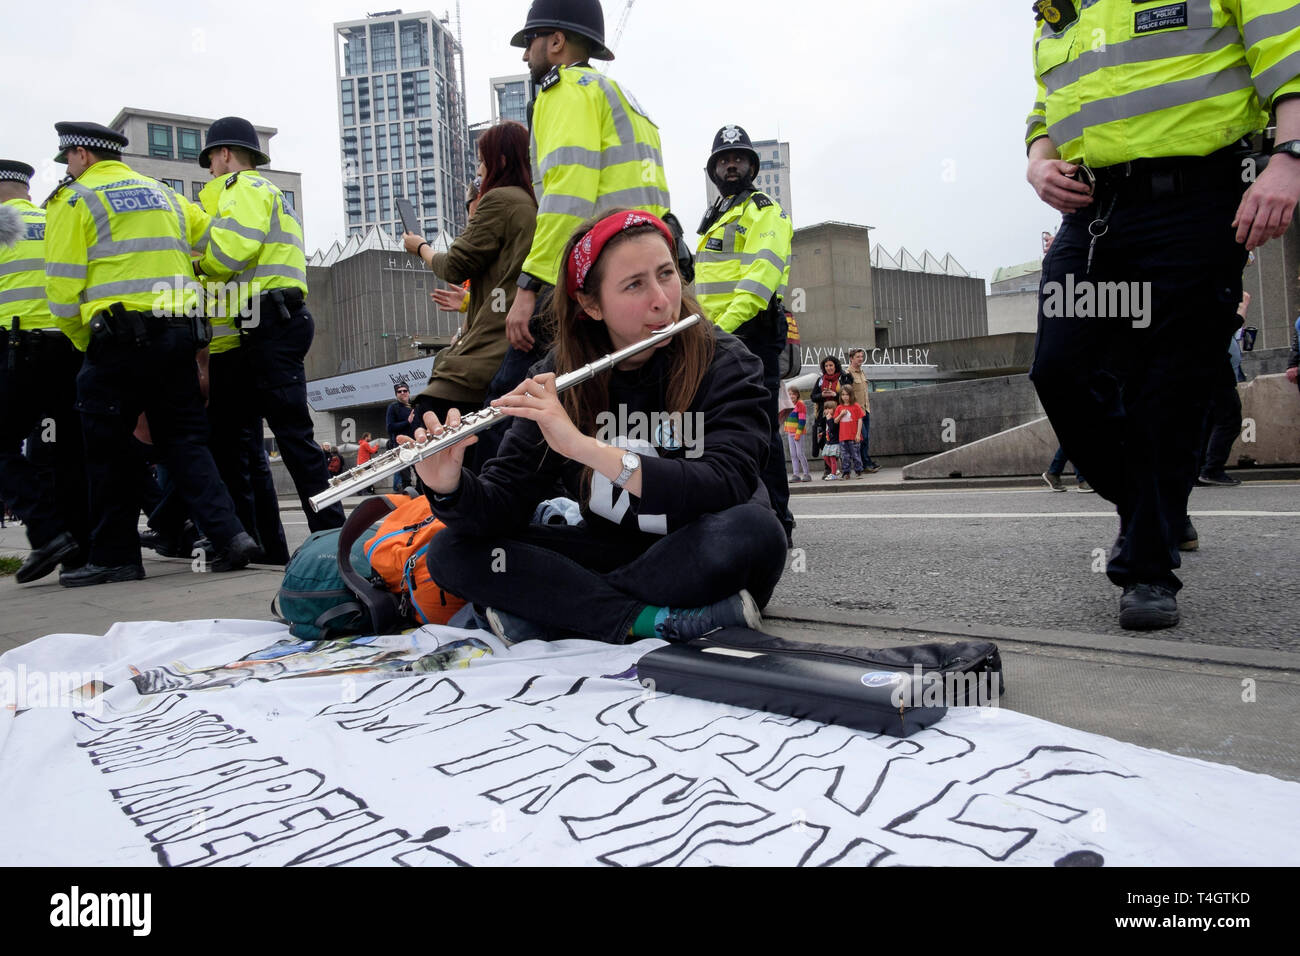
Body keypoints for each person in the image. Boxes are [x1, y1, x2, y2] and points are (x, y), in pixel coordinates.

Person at [1024, 4, 1300, 630]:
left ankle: (1147, 565)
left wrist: (1290, 157)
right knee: (1059, 368)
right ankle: (1156, 500)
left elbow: (1288, 52)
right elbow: (1045, 104)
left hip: (1197, 199)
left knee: (1168, 388)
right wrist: (1040, 161)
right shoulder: (1059, 6)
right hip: (1095, 210)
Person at [413, 209, 786, 644]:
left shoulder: (727, 361)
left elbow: (727, 483)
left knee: (753, 532)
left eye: (666, 274)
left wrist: (584, 448)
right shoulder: (558, 375)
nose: (662, 300)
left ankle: (562, 610)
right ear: (591, 305)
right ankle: (646, 620)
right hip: (611, 550)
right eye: (634, 285)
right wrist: (448, 487)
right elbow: (504, 500)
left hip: (696, 548)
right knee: (451, 551)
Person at [42, 122, 257, 586]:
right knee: (185, 441)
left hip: (116, 340)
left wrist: (85, 343)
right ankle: (230, 536)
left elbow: (61, 289)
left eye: (68, 160)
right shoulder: (165, 195)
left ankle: (117, 557)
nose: (68, 168)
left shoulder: (74, 199)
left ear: (81, 155)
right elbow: (215, 242)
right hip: (178, 336)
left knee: (106, 449)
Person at [494, 0, 673, 401]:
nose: (525, 54)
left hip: (592, 269)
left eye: (530, 41)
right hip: (646, 270)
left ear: (556, 41)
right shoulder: (619, 95)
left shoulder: (564, 91)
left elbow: (566, 196)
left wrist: (529, 288)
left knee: (512, 397)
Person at [194, 116, 345, 535]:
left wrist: (196, 266)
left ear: (224, 155)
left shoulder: (243, 188)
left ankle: (331, 536)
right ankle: (302, 538)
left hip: (267, 325)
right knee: (260, 439)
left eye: (210, 161)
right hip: (271, 322)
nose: (209, 171)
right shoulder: (274, 194)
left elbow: (230, 252)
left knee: (283, 439)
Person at [403, 121, 538, 468]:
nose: (478, 172)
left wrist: (420, 248)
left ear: (501, 160)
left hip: (487, 351)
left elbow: (454, 265)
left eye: (481, 163)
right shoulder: (533, 204)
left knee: (432, 429)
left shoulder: (501, 201)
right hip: (506, 343)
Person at [696, 124, 796, 543]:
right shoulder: (715, 215)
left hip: (748, 332)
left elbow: (760, 278)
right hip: (713, 337)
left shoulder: (763, 210)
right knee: (714, 425)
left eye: (738, 158)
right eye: (723, 159)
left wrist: (720, 328)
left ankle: (778, 518)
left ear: (752, 166)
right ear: (714, 169)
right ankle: (731, 509)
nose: (730, 164)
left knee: (760, 425)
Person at [0, 159, 90, 583]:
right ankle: (78, 553)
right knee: (69, 451)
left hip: (16, 351)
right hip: (68, 347)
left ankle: (48, 531)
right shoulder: (57, 218)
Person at [841, 348, 880, 472]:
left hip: (865, 409)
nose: (860, 359)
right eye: (858, 357)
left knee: (866, 437)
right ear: (851, 358)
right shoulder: (847, 374)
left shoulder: (862, 372)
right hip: (856, 412)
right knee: (863, 437)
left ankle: (865, 461)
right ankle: (864, 463)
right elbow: (846, 394)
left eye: (861, 356)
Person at [386, 383, 416, 492]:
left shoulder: (414, 406)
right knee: (406, 477)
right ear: (396, 394)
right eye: (399, 391)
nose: (402, 393)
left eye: (405, 390)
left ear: (408, 392)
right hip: (401, 446)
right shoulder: (393, 407)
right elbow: (390, 427)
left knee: (421, 473)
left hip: (415, 444)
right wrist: (407, 422)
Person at [832, 386, 865, 479]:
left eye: (847, 394)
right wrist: (841, 414)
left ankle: (858, 471)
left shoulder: (856, 406)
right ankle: (846, 472)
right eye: (843, 394)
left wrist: (858, 434)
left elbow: (860, 420)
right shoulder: (839, 407)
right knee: (844, 456)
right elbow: (835, 421)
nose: (845, 397)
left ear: (851, 395)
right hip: (843, 436)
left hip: (854, 436)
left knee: (856, 455)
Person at [783, 387, 810, 483]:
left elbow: (802, 421)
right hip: (790, 433)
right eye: (789, 394)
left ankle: (806, 474)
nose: (791, 396)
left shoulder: (800, 404)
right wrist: (786, 428)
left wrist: (798, 433)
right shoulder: (788, 405)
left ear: (797, 394)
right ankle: (796, 474)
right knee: (793, 454)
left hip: (798, 433)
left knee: (800, 453)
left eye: (793, 394)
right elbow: (785, 417)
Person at [818, 404, 841, 480]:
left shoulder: (834, 418)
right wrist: (823, 433)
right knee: (825, 456)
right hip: (828, 442)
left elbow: (833, 428)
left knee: (832, 458)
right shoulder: (827, 418)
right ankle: (835, 470)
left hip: (834, 442)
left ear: (834, 409)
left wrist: (829, 419)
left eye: (829, 408)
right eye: (826, 408)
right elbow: (828, 430)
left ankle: (833, 474)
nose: (827, 410)